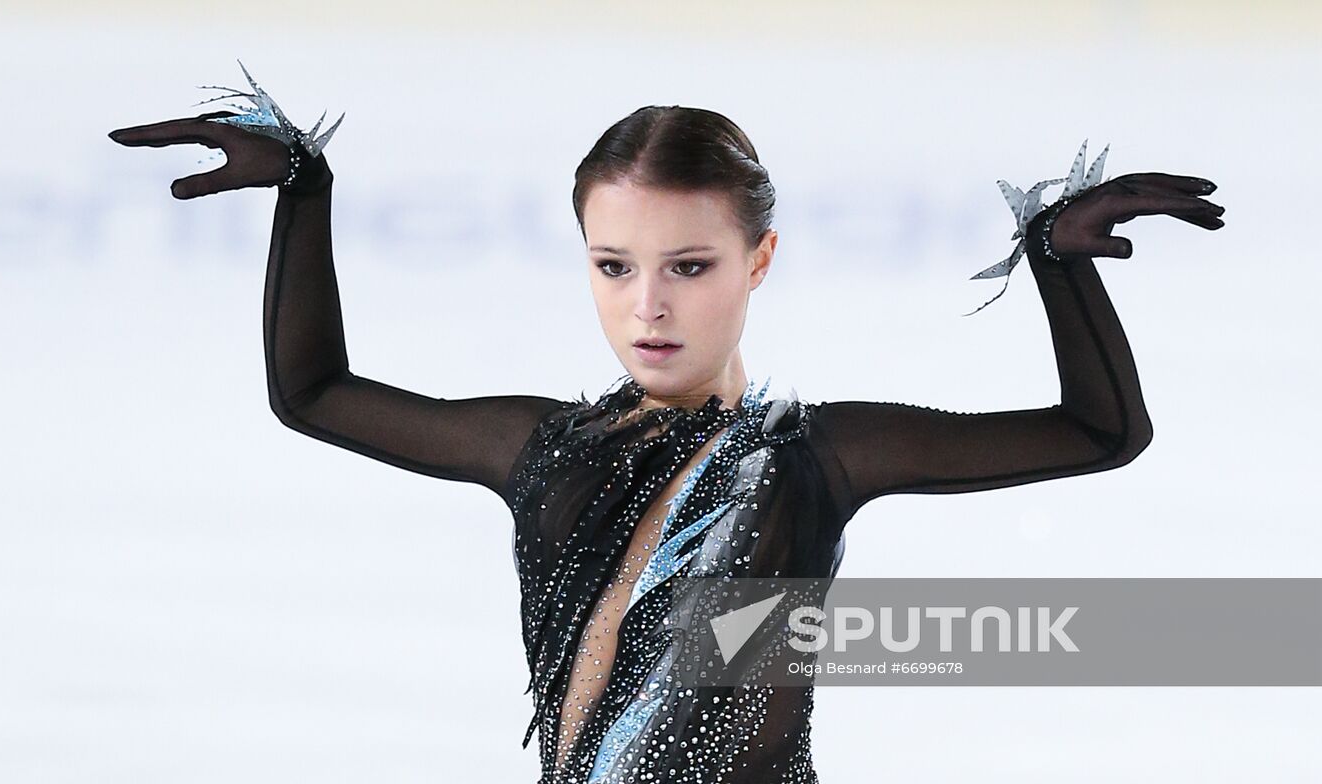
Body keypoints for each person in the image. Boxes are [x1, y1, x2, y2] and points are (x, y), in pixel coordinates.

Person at [109, 71, 1224, 783]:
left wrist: (1057, 262)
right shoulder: (534, 448)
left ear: (759, 261)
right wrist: (305, 190)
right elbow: (312, 392)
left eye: (689, 267)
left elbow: (1095, 432)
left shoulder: (815, 459)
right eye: (614, 266)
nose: (649, 305)